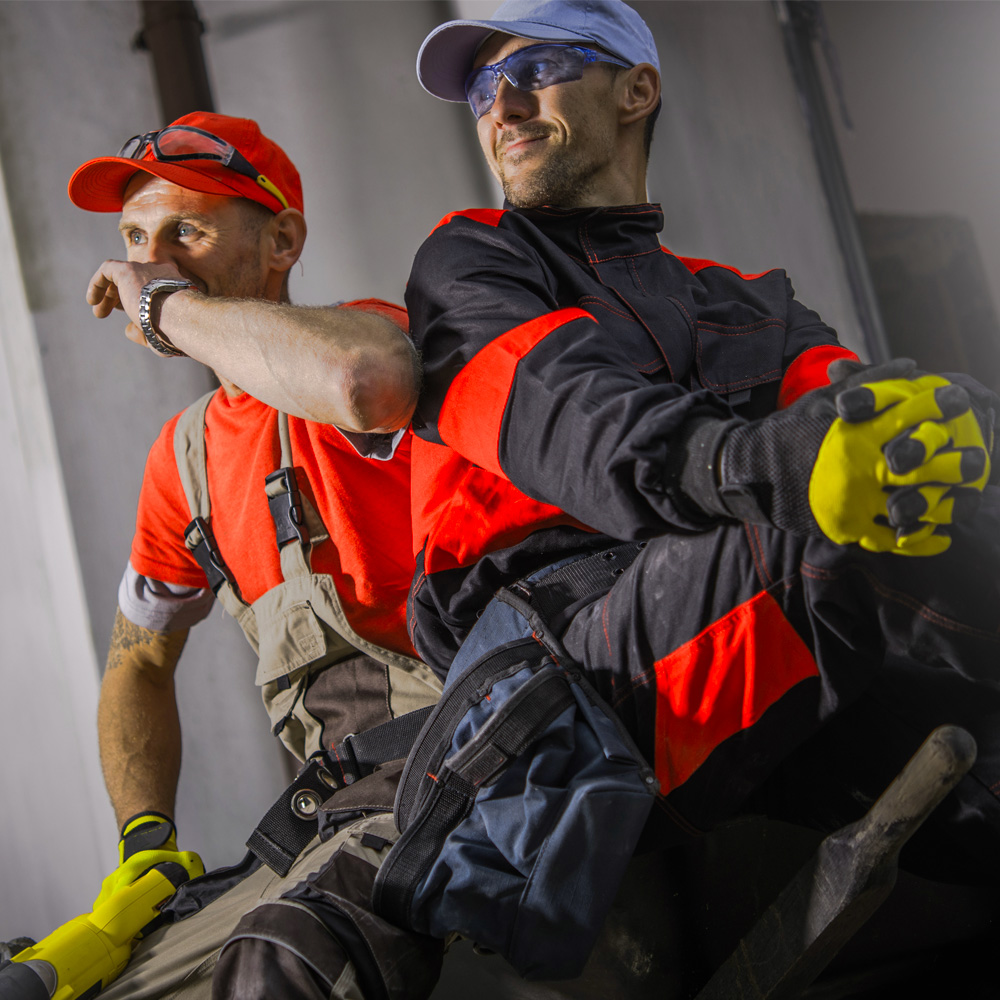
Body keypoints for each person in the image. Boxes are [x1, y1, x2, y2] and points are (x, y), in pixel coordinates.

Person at [393, 0, 1000, 973]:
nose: (500, 106)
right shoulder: (473, 262)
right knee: (840, 521)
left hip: (745, 645)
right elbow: (572, 422)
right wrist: (764, 465)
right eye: (480, 91)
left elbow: (869, 417)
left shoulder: (752, 302)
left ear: (636, 89)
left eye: (535, 70)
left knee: (978, 767)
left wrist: (964, 422)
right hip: (568, 681)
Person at [67, 112, 445, 1000]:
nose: (151, 262)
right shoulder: (185, 461)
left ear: (282, 241)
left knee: (275, 967)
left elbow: (362, 377)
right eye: (134, 239)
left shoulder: (365, 348)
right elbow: (138, 664)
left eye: (186, 232)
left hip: (465, 758)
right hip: (333, 809)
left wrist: (165, 305)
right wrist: (144, 843)